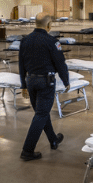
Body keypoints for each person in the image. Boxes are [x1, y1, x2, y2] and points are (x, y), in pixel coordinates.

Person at [17, 12, 70, 161]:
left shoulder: (25, 40)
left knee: (42, 113)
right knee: (41, 114)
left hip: (31, 81)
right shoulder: (52, 41)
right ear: (49, 25)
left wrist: (23, 85)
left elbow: (21, 64)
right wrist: (66, 81)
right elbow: (60, 63)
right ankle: (27, 150)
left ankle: (53, 140)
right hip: (46, 82)